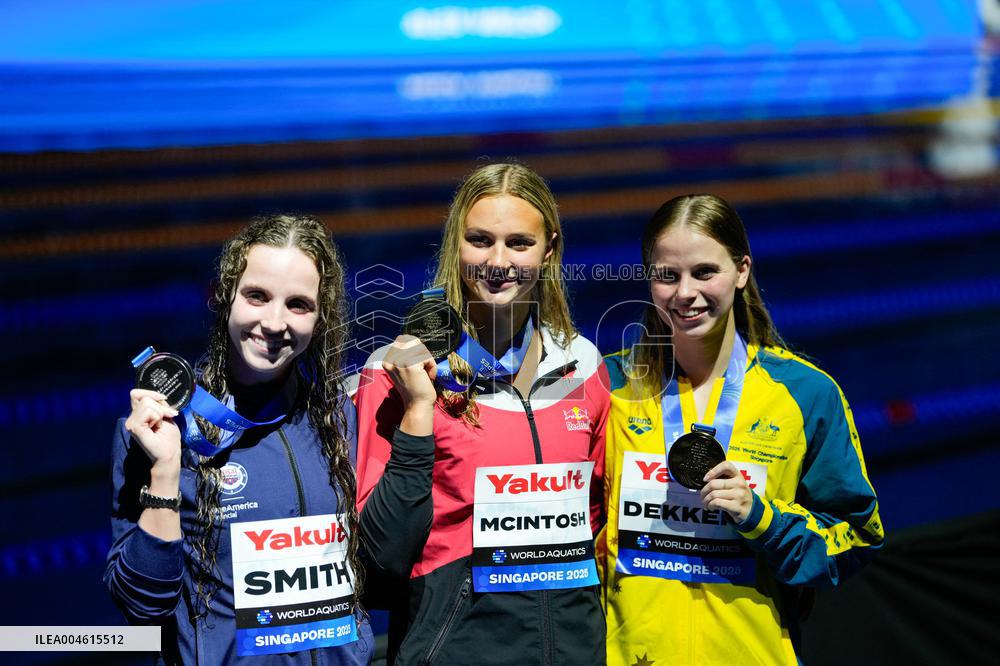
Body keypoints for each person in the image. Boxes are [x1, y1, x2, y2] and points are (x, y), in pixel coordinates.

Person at [599, 194, 884, 665]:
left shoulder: (805, 394)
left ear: (742, 271)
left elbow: (857, 536)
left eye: (705, 272)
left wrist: (762, 518)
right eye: (667, 275)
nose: (685, 293)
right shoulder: (606, 386)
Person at [355, 163, 610, 664]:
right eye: (479, 240)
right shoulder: (396, 373)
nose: (497, 261)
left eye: (519, 242)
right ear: (456, 245)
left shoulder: (583, 366)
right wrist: (417, 411)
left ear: (549, 249)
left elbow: (595, 521)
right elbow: (378, 560)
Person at [105, 215, 374, 665]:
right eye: (257, 296)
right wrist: (166, 473)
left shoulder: (341, 420)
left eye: (298, 305)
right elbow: (142, 607)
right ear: (226, 295)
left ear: (320, 317)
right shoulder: (161, 433)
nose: (274, 322)